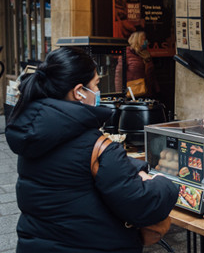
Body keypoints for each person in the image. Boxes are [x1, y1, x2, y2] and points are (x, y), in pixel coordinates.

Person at [5, 47, 178, 253]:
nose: (98, 92)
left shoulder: (34, 136)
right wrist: (165, 183)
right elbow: (141, 204)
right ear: (79, 92)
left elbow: (72, 172)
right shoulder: (97, 145)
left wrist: (133, 167)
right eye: (96, 84)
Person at [115, 30, 160, 98]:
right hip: (133, 93)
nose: (147, 42)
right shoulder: (126, 54)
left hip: (147, 92)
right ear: (137, 40)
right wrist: (119, 94)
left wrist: (157, 90)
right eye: (144, 39)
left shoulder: (146, 54)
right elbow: (119, 75)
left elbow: (152, 75)